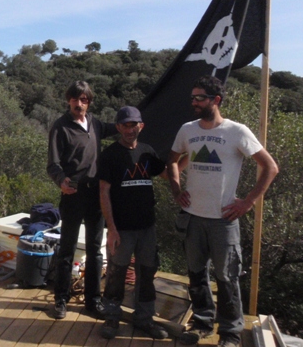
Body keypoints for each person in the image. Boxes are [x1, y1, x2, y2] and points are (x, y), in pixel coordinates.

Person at [167, 76, 278, 347]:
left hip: (223, 221)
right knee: (196, 274)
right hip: (193, 218)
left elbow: (270, 167)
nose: (194, 102)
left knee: (227, 278)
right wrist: (176, 189)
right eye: (192, 97)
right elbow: (171, 161)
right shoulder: (187, 130)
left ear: (215, 100)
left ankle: (230, 333)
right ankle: (202, 323)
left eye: (199, 98)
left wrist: (247, 202)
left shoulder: (237, 131)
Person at [47, 80, 117, 320]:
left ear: (89, 102)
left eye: (84, 99)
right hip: (73, 194)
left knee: (96, 251)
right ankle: (61, 299)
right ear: (69, 100)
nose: (79, 103)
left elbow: (119, 128)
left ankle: (93, 300)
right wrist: (61, 181)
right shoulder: (61, 126)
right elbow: (53, 164)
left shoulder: (95, 124)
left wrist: (138, 120)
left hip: (96, 195)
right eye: (75, 99)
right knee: (66, 249)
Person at [97, 106, 169, 340]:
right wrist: (112, 229)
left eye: (133, 124)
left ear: (141, 126)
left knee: (147, 273)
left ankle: (144, 319)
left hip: (147, 226)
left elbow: (167, 173)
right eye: (125, 125)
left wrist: (187, 153)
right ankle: (111, 316)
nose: (130, 129)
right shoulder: (110, 154)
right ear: (118, 127)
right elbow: (104, 192)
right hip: (122, 229)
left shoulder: (148, 152)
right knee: (117, 273)